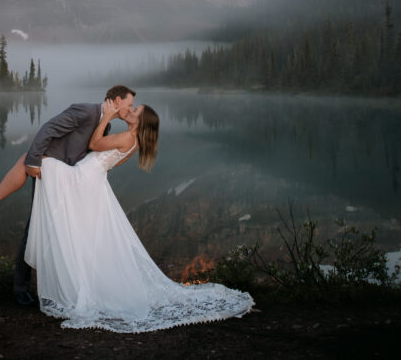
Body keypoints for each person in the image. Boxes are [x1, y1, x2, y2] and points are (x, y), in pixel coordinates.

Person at [23, 99, 254, 332]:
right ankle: (79, 280)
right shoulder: (132, 141)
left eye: (136, 111)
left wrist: (106, 117)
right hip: (90, 179)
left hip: (82, 179)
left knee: (42, 162)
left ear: (141, 122)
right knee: (81, 231)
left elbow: (94, 144)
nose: (131, 111)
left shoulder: (127, 138)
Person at [0, 85, 137, 305]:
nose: (130, 109)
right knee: (35, 227)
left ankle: (64, 286)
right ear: (116, 100)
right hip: (53, 174)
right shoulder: (86, 112)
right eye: (129, 104)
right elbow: (49, 129)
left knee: (59, 231)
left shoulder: (107, 124)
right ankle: (22, 288)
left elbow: (96, 155)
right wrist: (34, 161)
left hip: (71, 180)